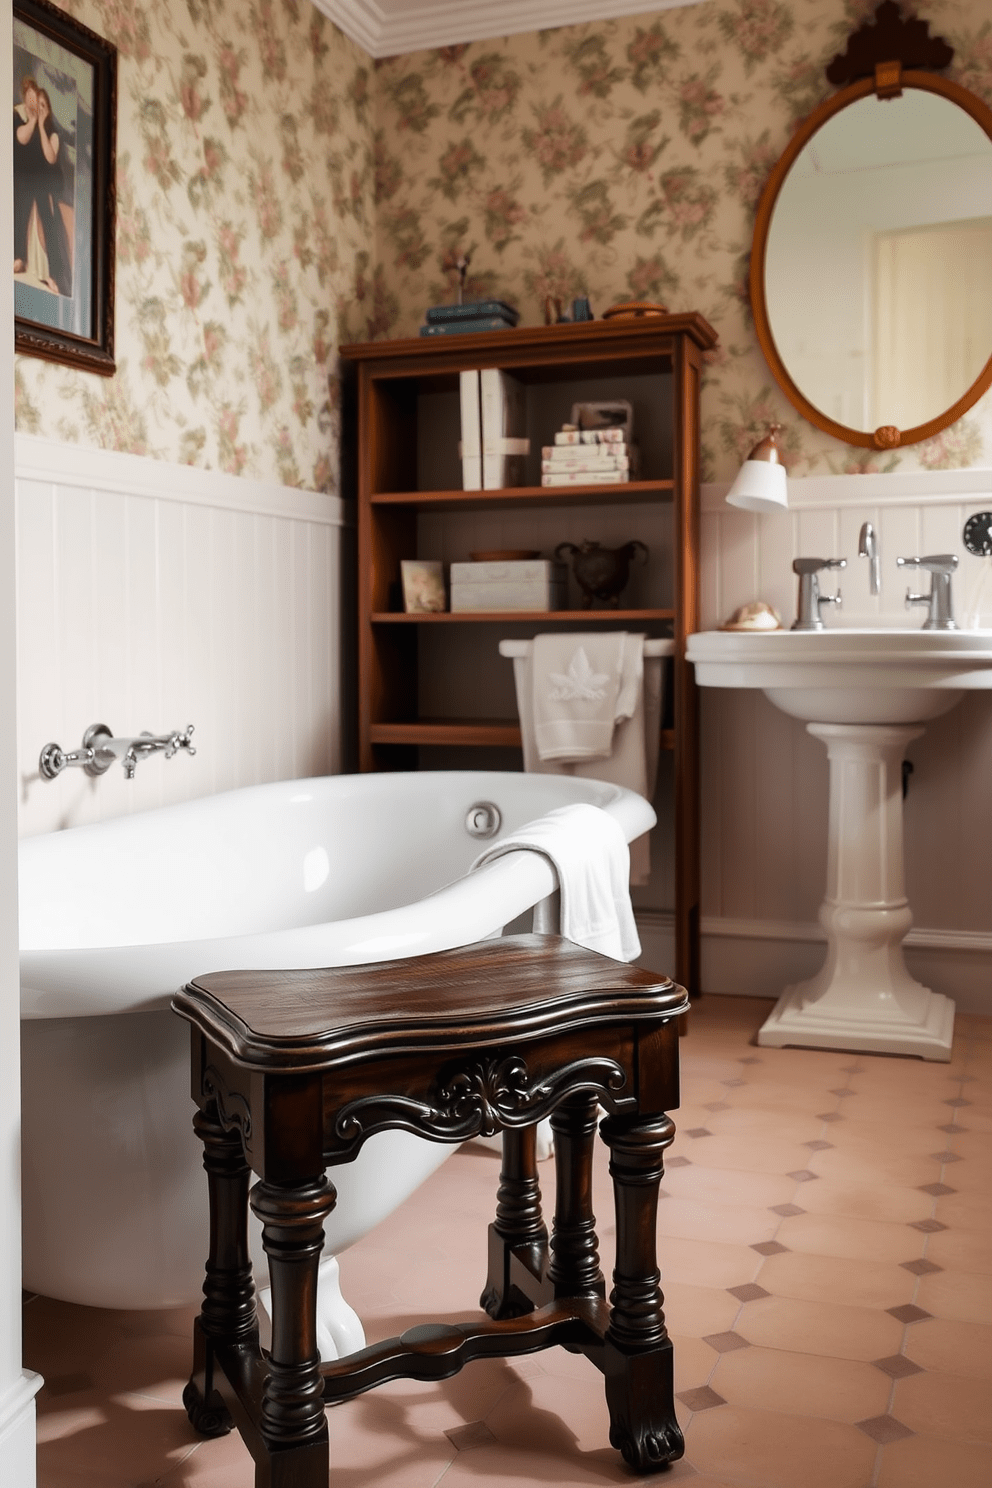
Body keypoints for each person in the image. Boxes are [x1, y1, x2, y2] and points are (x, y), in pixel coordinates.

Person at [13, 74, 71, 296]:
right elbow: (21, 139)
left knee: (47, 215)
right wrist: (33, 121)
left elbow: (50, 158)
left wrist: (40, 123)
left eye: (43, 104)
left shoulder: (51, 131)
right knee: (23, 198)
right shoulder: (21, 116)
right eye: (36, 101)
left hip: (47, 185)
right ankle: (20, 258)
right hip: (27, 182)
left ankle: (53, 274)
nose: (38, 106)